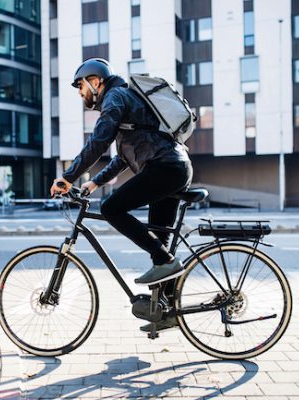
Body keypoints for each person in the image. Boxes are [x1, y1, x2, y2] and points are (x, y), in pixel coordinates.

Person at [50, 58, 193, 299]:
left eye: (81, 86)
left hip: (165, 168)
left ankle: (164, 261)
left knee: (111, 208)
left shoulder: (115, 97)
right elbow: (124, 158)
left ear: (95, 81)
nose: (81, 93)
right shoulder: (127, 99)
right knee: (159, 241)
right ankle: (167, 309)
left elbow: (98, 141)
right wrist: (96, 181)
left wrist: (67, 177)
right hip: (174, 167)